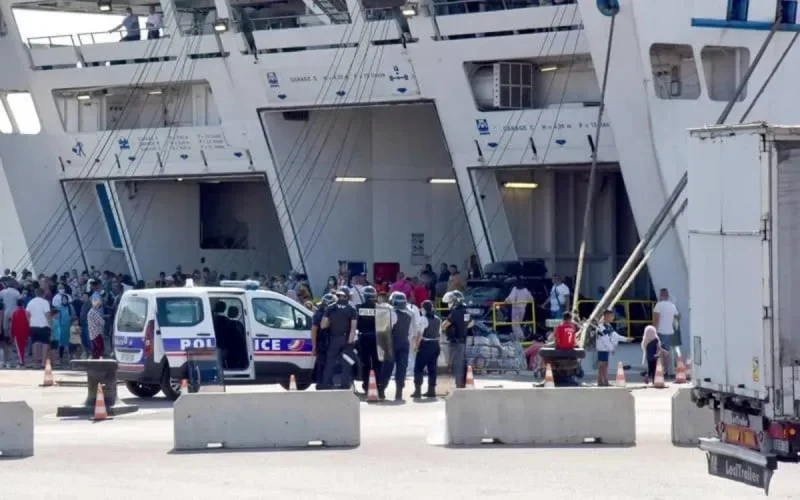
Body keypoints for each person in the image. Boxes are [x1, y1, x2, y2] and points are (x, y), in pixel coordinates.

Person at [319, 289, 357, 390]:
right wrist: (350, 341)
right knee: (346, 362)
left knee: (330, 361)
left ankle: (326, 383)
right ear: (347, 296)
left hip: (334, 338)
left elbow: (323, 325)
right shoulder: (351, 309)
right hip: (346, 338)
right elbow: (353, 327)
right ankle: (345, 384)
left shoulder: (331, 308)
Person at [380, 291, 413, 401]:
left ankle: (382, 390)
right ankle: (399, 392)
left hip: (392, 343)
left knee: (387, 368)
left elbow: (386, 329)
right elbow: (411, 331)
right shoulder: (409, 314)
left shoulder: (392, 313)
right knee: (401, 369)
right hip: (404, 343)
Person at [441, 290, 471, 389]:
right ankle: (460, 384)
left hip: (454, 342)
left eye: (450, 302)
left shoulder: (454, 313)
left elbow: (445, 325)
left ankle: (454, 386)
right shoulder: (466, 312)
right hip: (462, 341)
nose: (448, 304)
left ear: (455, 302)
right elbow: (470, 324)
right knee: (461, 364)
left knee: (451, 364)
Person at [411, 300, 441, 399]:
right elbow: (439, 334)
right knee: (432, 369)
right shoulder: (438, 319)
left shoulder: (423, 319)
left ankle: (418, 391)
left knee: (418, 368)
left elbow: (420, 334)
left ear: (423, 309)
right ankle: (431, 391)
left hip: (426, 345)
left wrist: (416, 346)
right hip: (435, 345)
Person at [595, 309, 630, 386]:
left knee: (604, 365)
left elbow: (615, 336)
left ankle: (601, 381)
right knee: (603, 365)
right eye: (611, 316)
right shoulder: (602, 327)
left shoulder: (608, 326)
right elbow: (605, 339)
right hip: (602, 348)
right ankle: (604, 381)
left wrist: (626, 339)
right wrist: (612, 348)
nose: (612, 318)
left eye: (612, 316)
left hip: (605, 348)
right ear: (606, 316)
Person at [356, 286, 380, 393]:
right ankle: (378, 384)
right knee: (377, 362)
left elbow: (356, 324)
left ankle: (366, 385)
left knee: (365, 362)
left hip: (364, 338)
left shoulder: (359, 308)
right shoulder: (379, 308)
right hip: (377, 338)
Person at [653, 288, 680, 377]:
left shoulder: (658, 305)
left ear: (661, 295)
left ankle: (656, 370)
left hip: (660, 331)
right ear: (667, 296)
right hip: (669, 332)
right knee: (666, 352)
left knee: (656, 351)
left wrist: (654, 332)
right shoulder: (672, 306)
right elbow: (678, 316)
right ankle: (666, 371)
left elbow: (656, 320)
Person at [312, 293, 336, 388]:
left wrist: (314, 345)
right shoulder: (333, 313)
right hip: (329, 341)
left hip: (321, 341)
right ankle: (327, 383)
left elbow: (314, 330)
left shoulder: (318, 313)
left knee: (321, 363)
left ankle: (321, 383)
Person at [26, 288, 52, 368]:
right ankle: (43, 363)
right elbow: (47, 314)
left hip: (33, 325)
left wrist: (30, 322)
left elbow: (27, 313)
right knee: (45, 344)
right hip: (44, 325)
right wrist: (50, 324)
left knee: (35, 344)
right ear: (43, 294)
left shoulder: (31, 302)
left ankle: (35, 363)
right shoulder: (45, 302)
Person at [10, 299, 30, 368]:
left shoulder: (15, 312)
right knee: (23, 348)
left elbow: (13, 324)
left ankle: (21, 362)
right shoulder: (25, 312)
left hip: (17, 332)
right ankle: (22, 361)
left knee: (19, 348)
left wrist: (12, 334)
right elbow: (28, 323)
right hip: (24, 332)